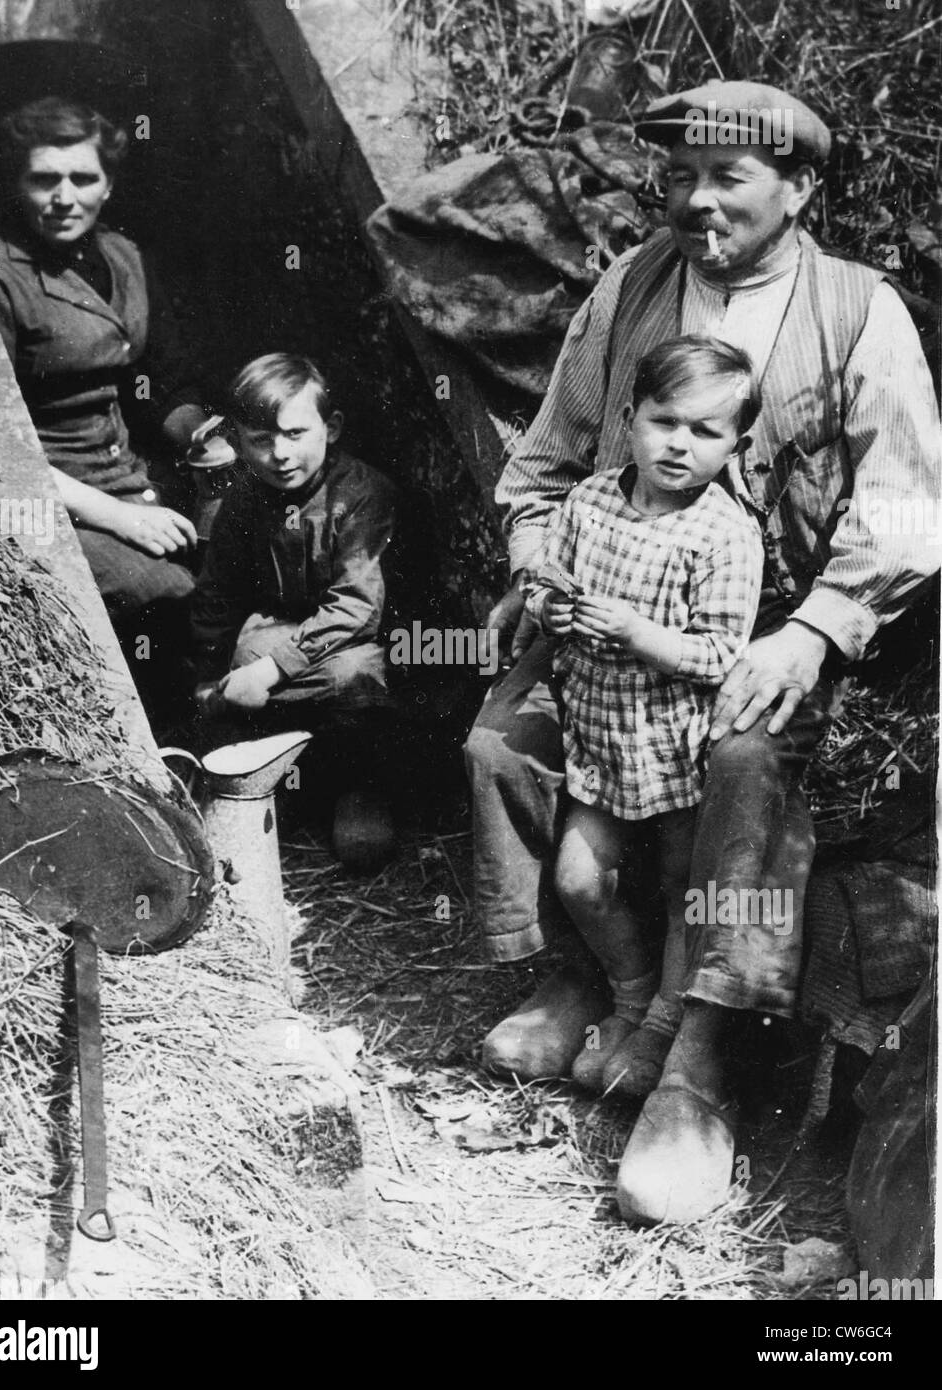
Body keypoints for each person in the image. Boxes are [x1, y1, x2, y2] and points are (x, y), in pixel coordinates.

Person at [464, 80, 940, 1222]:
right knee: (499, 740)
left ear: (797, 189)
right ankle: (581, 969)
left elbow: (908, 509)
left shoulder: (855, 311)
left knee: (742, 767)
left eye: (724, 177)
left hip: (760, 623)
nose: (693, 201)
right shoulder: (628, 287)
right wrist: (541, 568)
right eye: (675, 177)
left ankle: (702, 1056)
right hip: (611, 607)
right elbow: (541, 464)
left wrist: (815, 630)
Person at [526, 336, 763, 1096]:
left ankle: (664, 1021)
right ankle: (625, 994)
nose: (678, 445)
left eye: (706, 432)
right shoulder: (590, 501)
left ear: (735, 445)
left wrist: (637, 633)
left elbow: (720, 653)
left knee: (677, 886)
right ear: (628, 418)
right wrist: (550, 605)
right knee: (579, 879)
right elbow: (542, 592)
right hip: (599, 738)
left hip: (675, 741)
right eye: (664, 422)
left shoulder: (722, 532)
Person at [0, 97, 208, 725]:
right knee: (163, 588)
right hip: (42, 496)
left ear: (108, 183)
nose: (63, 197)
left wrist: (202, 437)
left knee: (243, 543)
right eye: (44, 178)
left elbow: (162, 377)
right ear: (18, 183)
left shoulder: (123, 256)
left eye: (82, 178)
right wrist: (118, 518)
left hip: (130, 473)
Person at [191, 353, 398, 872]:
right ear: (238, 441)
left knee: (356, 678)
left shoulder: (363, 494)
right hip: (280, 633)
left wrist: (271, 667)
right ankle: (272, 780)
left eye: (295, 434)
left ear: (332, 427)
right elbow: (218, 591)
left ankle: (359, 787)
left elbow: (356, 604)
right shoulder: (242, 500)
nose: (280, 454)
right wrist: (208, 675)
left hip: (354, 643)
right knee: (245, 649)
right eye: (260, 439)